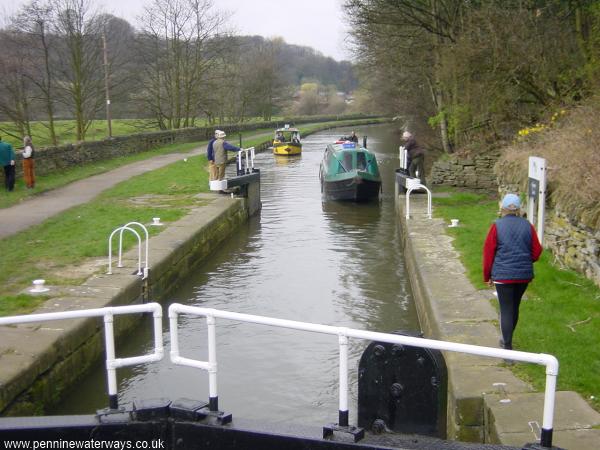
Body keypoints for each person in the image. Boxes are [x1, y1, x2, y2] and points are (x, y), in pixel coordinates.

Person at [483, 193, 543, 352]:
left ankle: (507, 345)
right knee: (514, 307)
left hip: (503, 276)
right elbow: (537, 250)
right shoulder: (527, 225)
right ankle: (508, 339)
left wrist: (487, 276)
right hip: (523, 276)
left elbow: (489, 253)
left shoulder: (497, 226)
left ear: (502, 208)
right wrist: (526, 261)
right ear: (518, 209)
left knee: (506, 308)